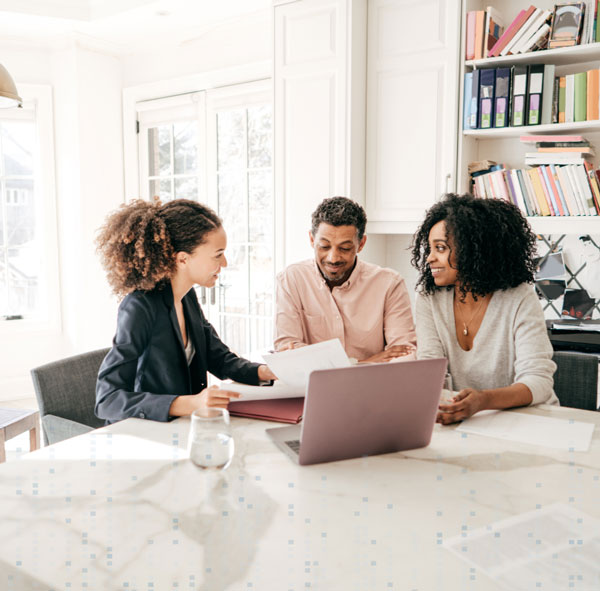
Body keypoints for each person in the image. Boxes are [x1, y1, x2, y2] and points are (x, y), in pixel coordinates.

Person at [95, 198, 276, 423]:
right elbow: (107, 400)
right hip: (146, 433)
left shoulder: (186, 296)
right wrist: (190, 404)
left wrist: (266, 372)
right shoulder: (139, 307)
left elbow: (218, 358)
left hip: (183, 429)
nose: (225, 263)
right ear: (182, 259)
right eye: (218, 254)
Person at [411, 193, 558, 425]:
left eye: (440, 248)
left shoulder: (519, 297)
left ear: (472, 249)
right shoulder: (429, 298)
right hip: (465, 421)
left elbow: (538, 381)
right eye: (430, 248)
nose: (429, 258)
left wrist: (483, 401)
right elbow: (430, 372)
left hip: (526, 421)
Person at [275, 196, 416, 362]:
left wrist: (313, 358)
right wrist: (363, 363)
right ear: (312, 240)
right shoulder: (291, 280)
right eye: (324, 246)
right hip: (312, 387)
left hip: (372, 387)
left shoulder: (390, 284)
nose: (333, 258)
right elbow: (287, 352)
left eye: (345, 248)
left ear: (361, 244)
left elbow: (404, 354)